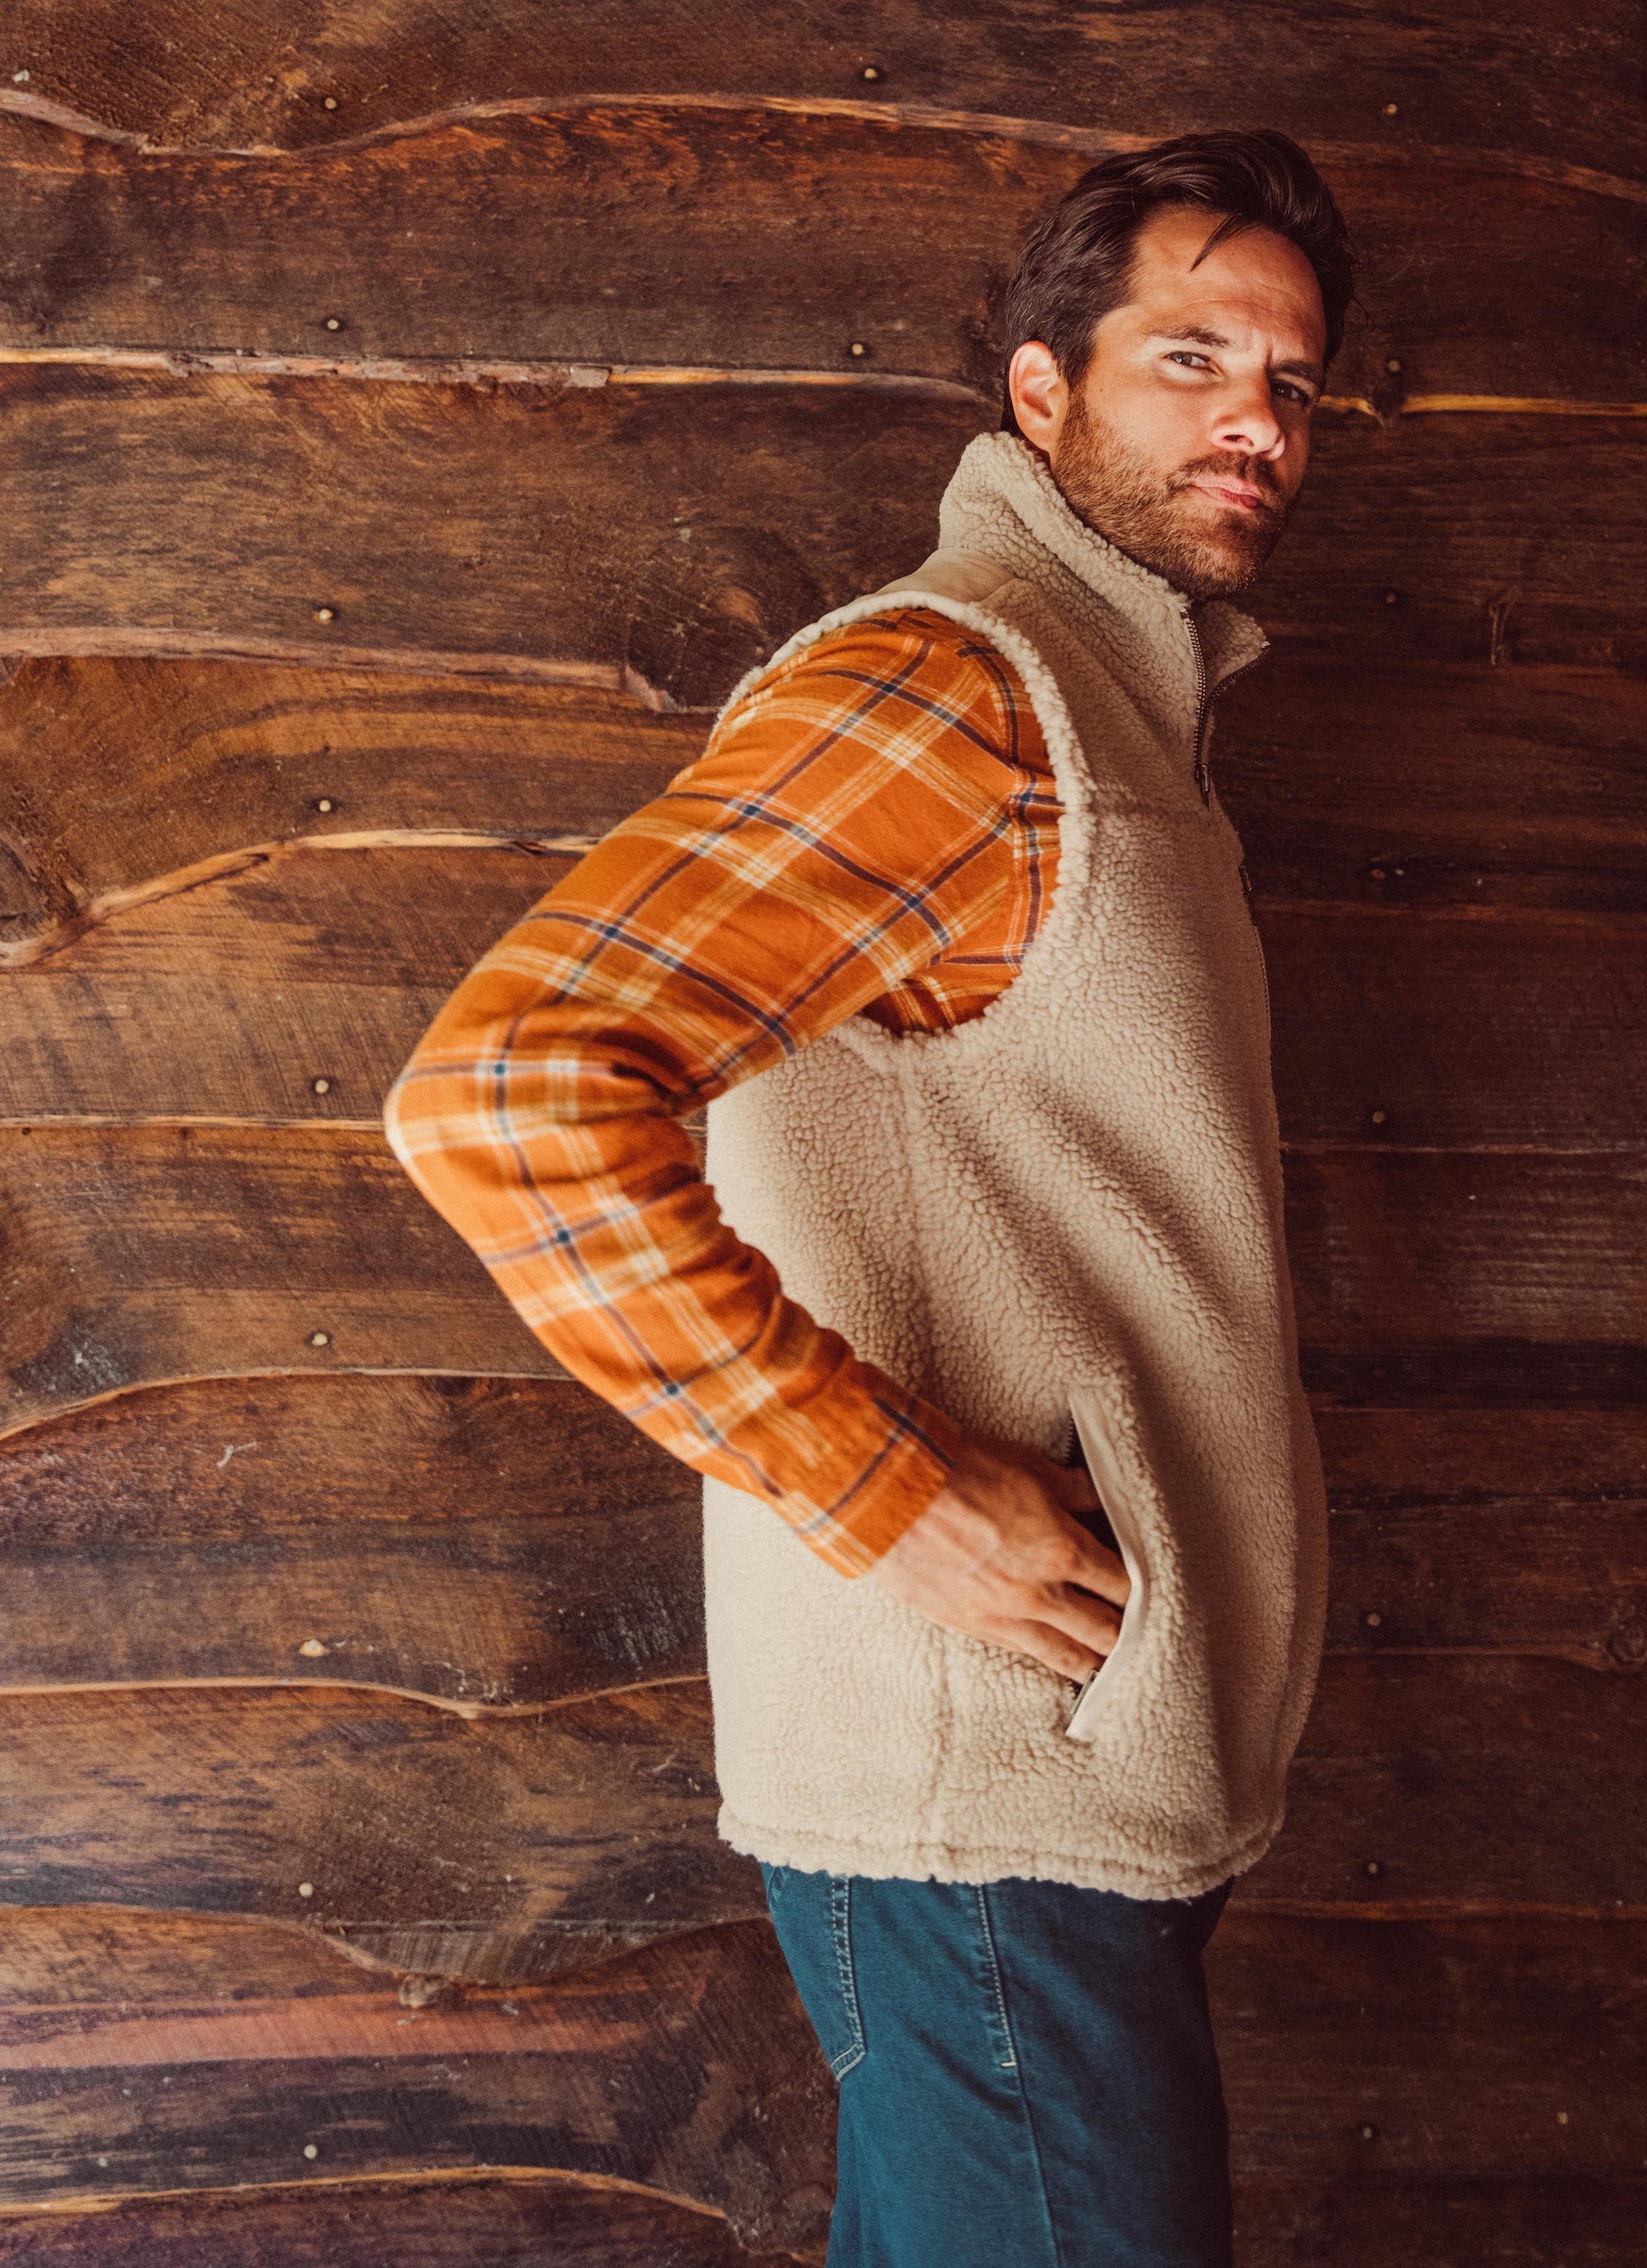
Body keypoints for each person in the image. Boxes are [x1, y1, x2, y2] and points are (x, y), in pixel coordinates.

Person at [382, 128, 1350, 2266]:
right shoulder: (954, 695)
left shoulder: (1125, 725)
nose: (1255, 422)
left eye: (1290, 382)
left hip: (1080, 1802)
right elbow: (508, 1091)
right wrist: (880, 1486)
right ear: (1039, 395)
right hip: (992, 1812)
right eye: (1188, 358)